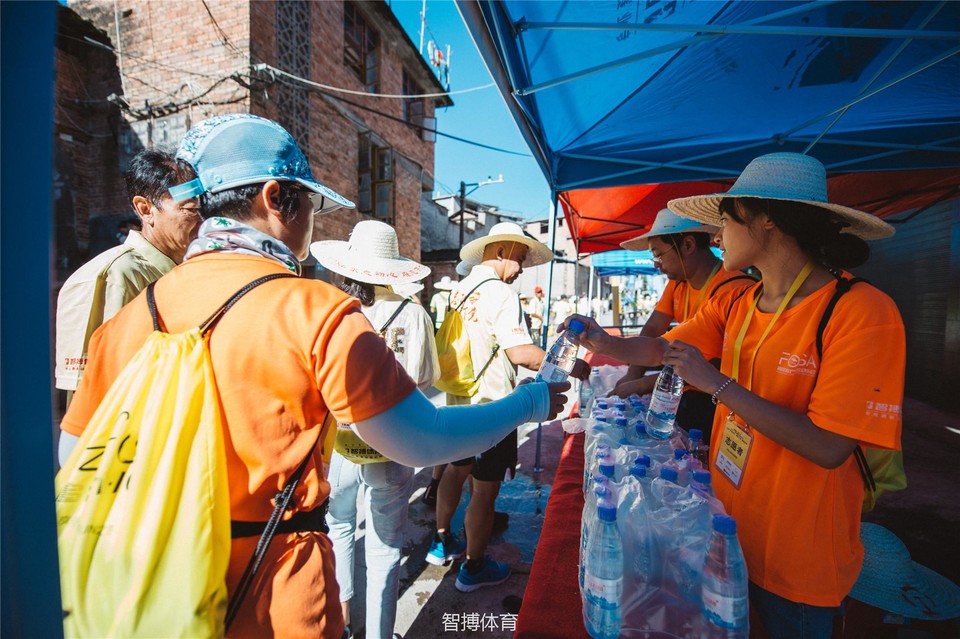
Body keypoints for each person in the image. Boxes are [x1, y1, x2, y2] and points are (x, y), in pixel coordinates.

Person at [58, 114, 570, 639]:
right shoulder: (314, 310)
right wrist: (530, 404)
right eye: (310, 203)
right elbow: (424, 439)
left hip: (152, 598)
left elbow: (75, 457)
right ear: (276, 197)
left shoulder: (128, 318)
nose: (312, 220)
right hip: (275, 600)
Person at [560, 152, 905, 639]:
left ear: (767, 220)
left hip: (796, 556)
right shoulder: (741, 300)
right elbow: (665, 347)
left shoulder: (863, 312)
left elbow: (830, 447)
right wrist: (604, 342)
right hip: (725, 532)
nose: (716, 237)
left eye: (724, 220)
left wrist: (716, 384)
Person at [427, 221, 589, 592]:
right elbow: (521, 353)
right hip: (493, 409)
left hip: (459, 401)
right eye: (520, 261)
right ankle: (474, 566)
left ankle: (441, 542)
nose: (520, 270)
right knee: (485, 491)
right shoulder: (500, 294)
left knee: (454, 471)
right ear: (503, 251)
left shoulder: (460, 289)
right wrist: (570, 363)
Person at [311, 220, 438, 639]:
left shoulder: (332, 310)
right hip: (395, 443)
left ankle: (344, 625)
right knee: (384, 549)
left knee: (340, 528)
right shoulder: (414, 314)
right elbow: (424, 380)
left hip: (340, 442)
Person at [55, 150, 199, 406]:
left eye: (204, 211)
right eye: (190, 210)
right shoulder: (113, 276)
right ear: (145, 209)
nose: (202, 221)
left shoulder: (188, 273)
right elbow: (88, 396)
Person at [612, 208, 756, 434]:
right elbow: (653, 329)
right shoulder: (679, 283)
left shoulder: (736, 290)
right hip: (685, 387)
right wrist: (633, 374)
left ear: (688, 245)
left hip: (720, 404)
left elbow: (717, 365)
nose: (656, 264)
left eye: (659, 254)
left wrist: (642, 383)